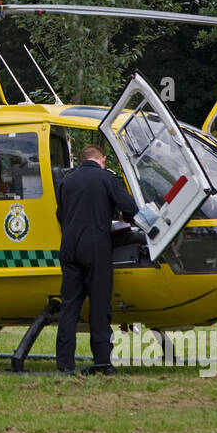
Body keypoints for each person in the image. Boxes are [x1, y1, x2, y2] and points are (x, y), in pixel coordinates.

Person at [55, 144, 138, 375]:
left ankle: (64, 363)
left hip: (69, 248)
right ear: (101, 159)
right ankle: (102, 361)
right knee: (99, 306)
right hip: (96, 247)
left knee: (69, 306)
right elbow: (129, 206)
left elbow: (60, 215)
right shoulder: (106, 178)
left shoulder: (66, 181)